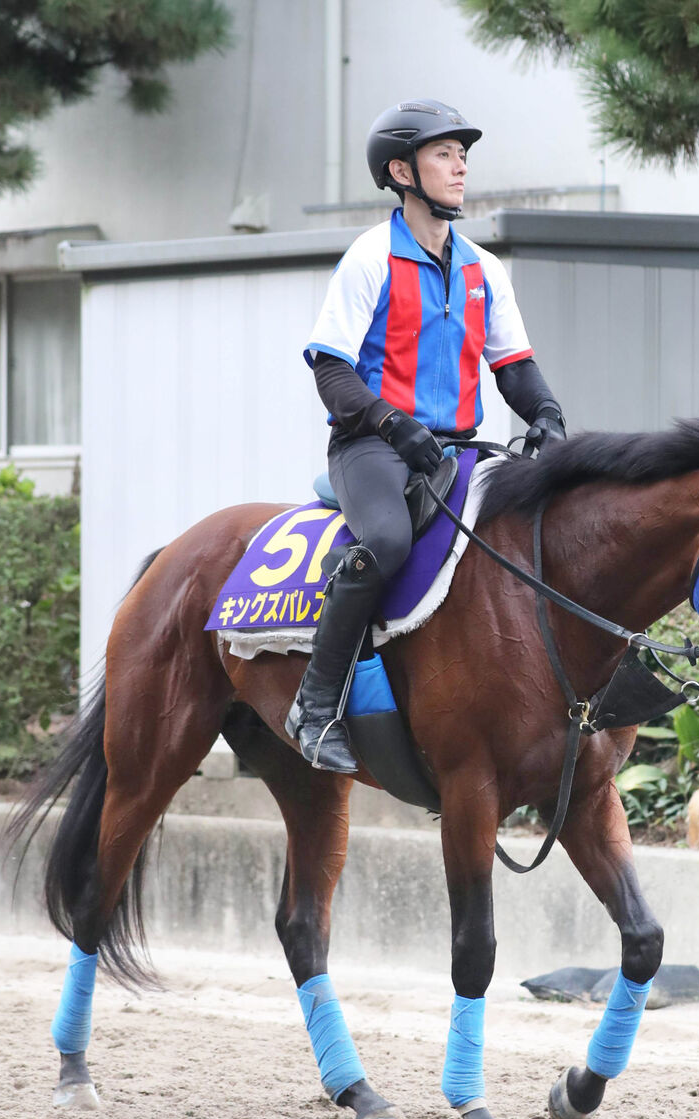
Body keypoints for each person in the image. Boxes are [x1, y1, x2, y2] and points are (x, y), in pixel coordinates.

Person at [289, 98, 567, 772]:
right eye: (444, 152)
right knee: (384, 540)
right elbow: (332, 372)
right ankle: (315, 705)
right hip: (370, 446)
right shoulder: (369, 258)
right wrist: (393, 425)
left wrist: (548, 416)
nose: (460, 164)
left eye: (462, 153)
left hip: (457, 449)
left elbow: (514, 367)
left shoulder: (482, 269)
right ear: (401, 171)